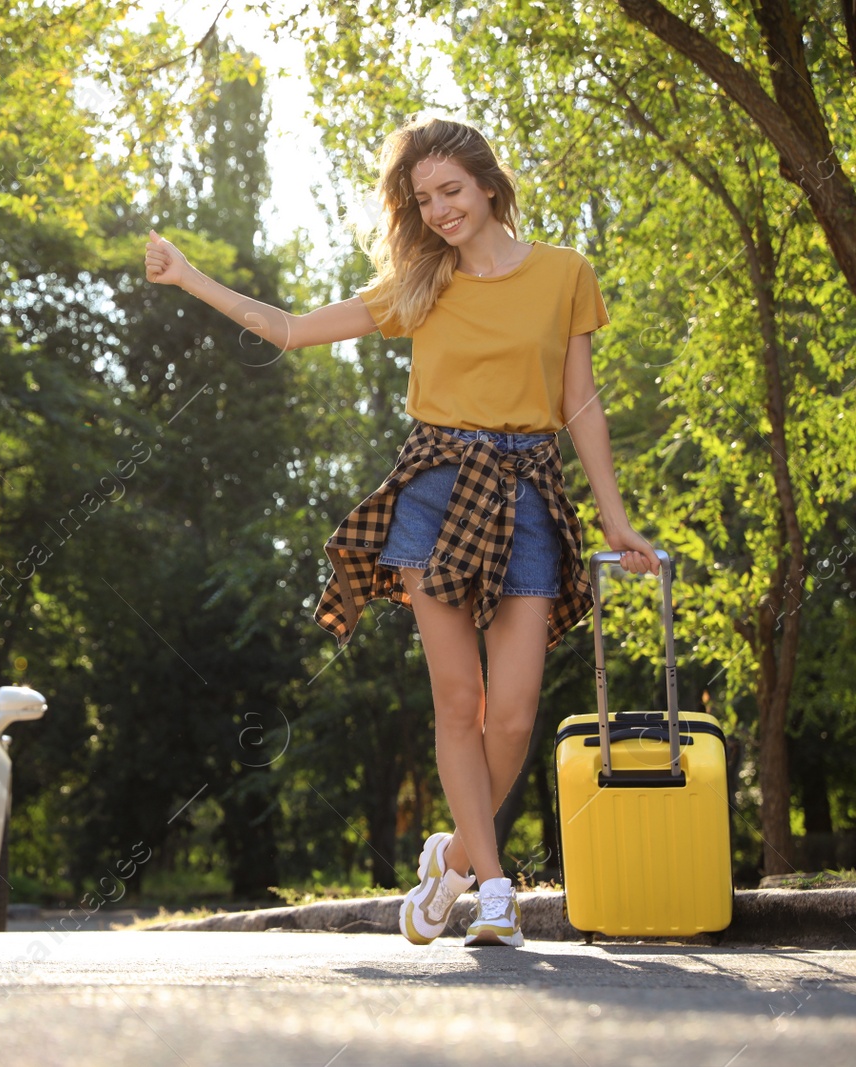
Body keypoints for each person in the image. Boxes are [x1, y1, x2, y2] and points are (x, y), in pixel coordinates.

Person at [143, 115, 661, 948]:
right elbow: (290, 329)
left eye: (451, 190)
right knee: (461, 700)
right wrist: (191, 277)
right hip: (435, 492)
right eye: (423, 199)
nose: (440, 210)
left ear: (490, 185)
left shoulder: (566, 272)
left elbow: (580, 402)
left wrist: (615, 516)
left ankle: (453, 857)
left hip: (528, 492)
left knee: (516, 713)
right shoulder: (419, 287)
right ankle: (495, 887)